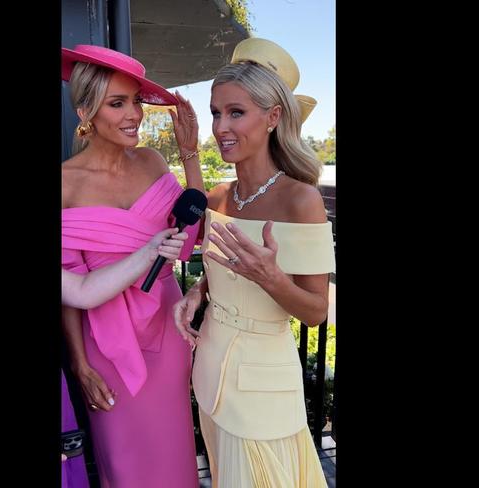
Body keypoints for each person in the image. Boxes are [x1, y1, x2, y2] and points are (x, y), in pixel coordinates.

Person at [173, 38, 336, 487]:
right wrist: (197, 290)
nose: (220, 126)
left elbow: (315, 310)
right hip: (209, 376)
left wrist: (270, 276)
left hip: (264, 396)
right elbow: (217, 261)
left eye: (236, 112)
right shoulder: (220, 196)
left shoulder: (301, 200)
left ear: (274, 117)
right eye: (215, 112)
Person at [61, 44, 203, 487]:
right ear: (86, 111)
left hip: (168, 321)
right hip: (106, 344)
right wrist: (80, 364)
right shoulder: (65, 183)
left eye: (136, 101)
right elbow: (69, 288)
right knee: (123, 463)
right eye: (117, 103)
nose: (134, 115)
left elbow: (189, 239)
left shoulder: (153, 161)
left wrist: (191, 154)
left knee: (175, 455)